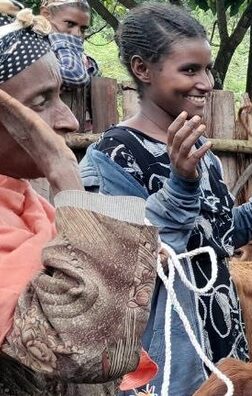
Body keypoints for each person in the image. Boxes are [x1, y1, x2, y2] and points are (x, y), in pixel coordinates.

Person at [79, 3, 252, 395]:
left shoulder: (197, 149)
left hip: (220, 332)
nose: (205, 82)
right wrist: (180, 185)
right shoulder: (111, 158)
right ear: (142, 70)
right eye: (189, 70)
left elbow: (220, 233)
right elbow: (128, 264)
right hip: (162, 349)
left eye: (206, 69)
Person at [0, 2, 159, 394]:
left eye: (61, 97)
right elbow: (93, 349)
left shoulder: (27, 209)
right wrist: (62, 169)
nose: (68, 120)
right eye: (41, 102)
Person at [39, 0, 99, 88]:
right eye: (70, 24)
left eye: (82, 29)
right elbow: (75, 75)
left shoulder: (84, 60)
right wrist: (64, 43)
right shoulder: (30, 46)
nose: (77, 34)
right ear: (46, 14)